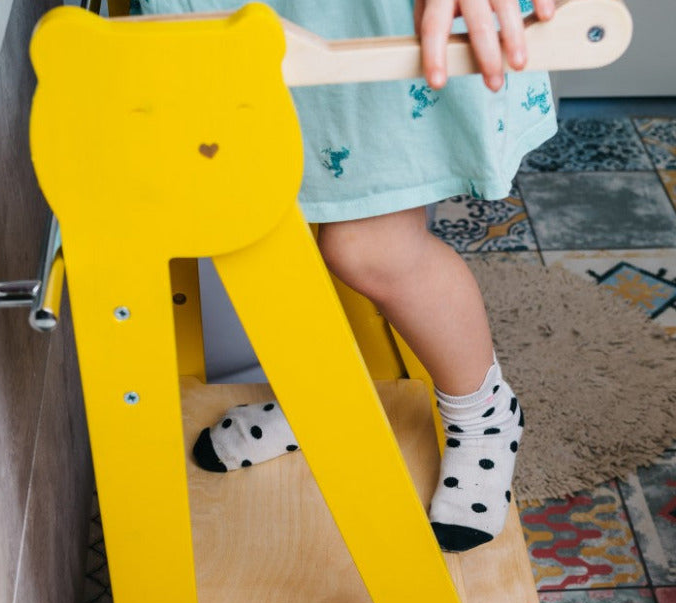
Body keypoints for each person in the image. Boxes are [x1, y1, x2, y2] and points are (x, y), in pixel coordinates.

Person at [140, 0, 558, 552]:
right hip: (234, 16)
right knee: (263, 232)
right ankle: (323, 398)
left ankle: (485, 415)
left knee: (370, 247)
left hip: (353, 19)